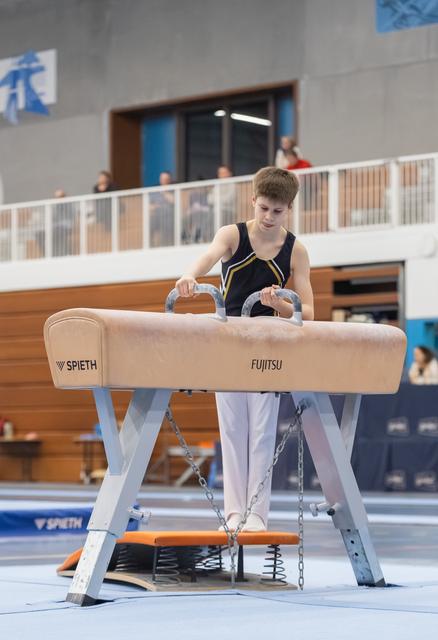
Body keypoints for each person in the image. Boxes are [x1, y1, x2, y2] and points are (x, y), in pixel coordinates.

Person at [175, 166, 314, 531]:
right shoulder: (232, 235)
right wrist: (190, 275)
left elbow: (309, 312)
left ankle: (256, 514)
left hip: (267, 343)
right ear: (253, 201)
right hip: (229, 340)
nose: (269, 217)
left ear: (289, 209)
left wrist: (282, 305)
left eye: (278, 211)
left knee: (262, 433)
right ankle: (234, 512)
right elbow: (207, 258)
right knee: (233, 432)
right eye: (264, 208)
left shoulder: (296, 250)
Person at [149, 171, 175, 247]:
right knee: (150, 223)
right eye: (162, 179)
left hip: (168, 216)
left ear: (169, 180)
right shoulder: (155, 191)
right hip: (156, 216)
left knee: (167, 222)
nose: (164, 181)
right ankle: (151, 245)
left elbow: (174, 201)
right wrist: (156, 207)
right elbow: (149, 206)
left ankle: (165, 245)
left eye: (166, 179)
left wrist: (165, 192)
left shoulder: (173, 190)